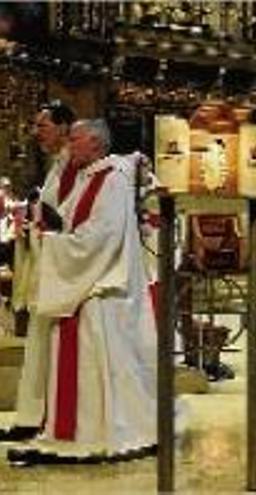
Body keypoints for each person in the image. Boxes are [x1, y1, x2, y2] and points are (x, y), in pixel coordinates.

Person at [7, 119, 157, 465]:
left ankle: (88, 434)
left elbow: (100, 236)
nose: (69, 145)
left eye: (75, 139)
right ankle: (68, 429)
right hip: (89, 279)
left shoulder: (112, 178)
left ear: (96, 144)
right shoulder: (91, 176)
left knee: (87, 349)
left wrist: (52, 245)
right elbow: (72, 223)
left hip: (102, 286)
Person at [0, 101, 76, 443]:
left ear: (63, 127)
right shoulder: (58, 163)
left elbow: (69, 216)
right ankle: (32, 416)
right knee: (38, 342)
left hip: (64, 266)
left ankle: (40, 417)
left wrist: (38, 216)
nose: (36, 132)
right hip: (49, 259)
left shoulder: (75, 164)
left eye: (42, 126)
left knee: (47, 343)